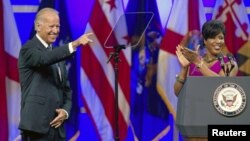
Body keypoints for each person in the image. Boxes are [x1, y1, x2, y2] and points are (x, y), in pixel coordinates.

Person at [18, 8, 93, 141]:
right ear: (38, 27)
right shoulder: (28, 49)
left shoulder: (58, 54)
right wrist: (74, 44)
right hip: (36, 127)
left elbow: (67, 91)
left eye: (58, 26)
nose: (56, 30)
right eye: (51, 26)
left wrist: (65, 111)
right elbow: (43, 59)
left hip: (57, 129)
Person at [174, 20, 238, 141]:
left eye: (221, 37)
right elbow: (178, 92)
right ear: (205, 40)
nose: (218, 41)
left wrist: (198, 63)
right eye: (213, 37)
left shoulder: (229, 62)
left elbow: (221, 86)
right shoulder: (194, 61)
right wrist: (184, 68)